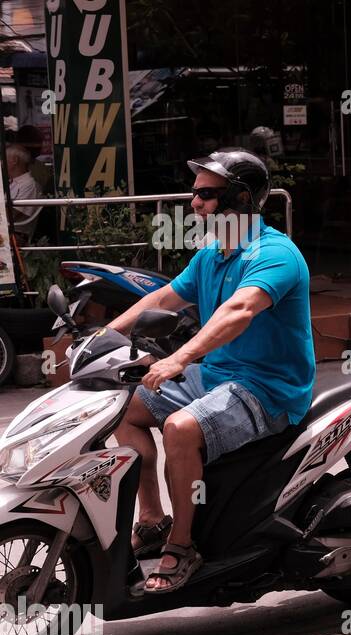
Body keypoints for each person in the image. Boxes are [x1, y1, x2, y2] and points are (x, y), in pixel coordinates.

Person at [108, 149, 315, 594]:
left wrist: (179, 357)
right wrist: (104, 337)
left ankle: (182, 546)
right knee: (126, 408)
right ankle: (151, 519)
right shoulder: (213, 253)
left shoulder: (275, 253)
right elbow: (164, 298)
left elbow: (239, 310)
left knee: (180, 429)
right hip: (219, 374)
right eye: (194, 193)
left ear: (239, 198)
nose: (194, 204)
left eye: (205, 194)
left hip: (267, 388)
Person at [6, 144, 43, 240]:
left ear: (15, 160)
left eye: (3, 159)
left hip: (15, 234)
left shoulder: (29, 185)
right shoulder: (11, 182)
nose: (1, 163)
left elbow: (10, 214)